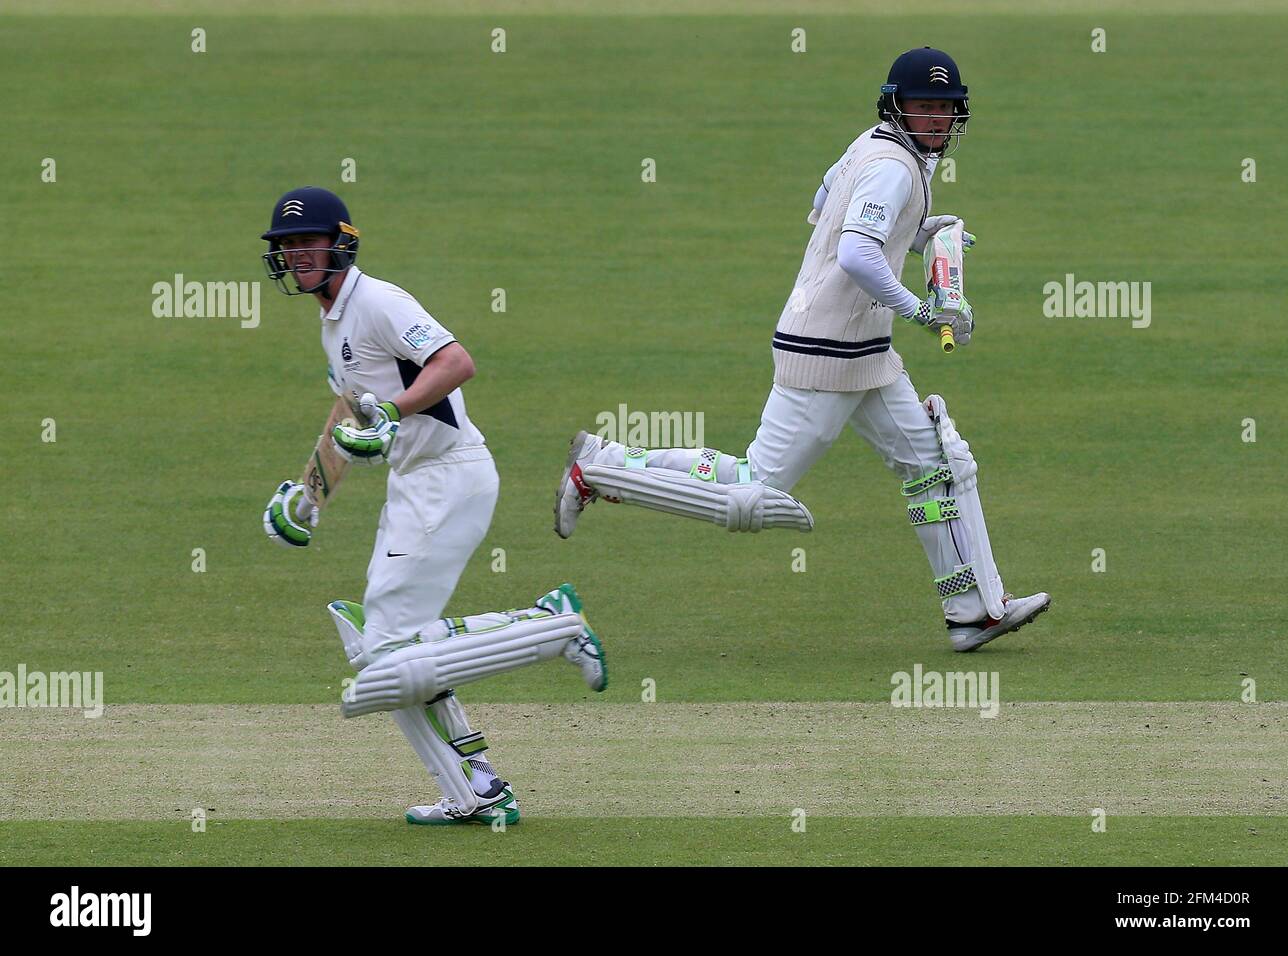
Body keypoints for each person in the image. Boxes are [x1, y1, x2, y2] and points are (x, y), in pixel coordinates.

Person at [554, 49, 1050, 652]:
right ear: (897, 106)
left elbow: (824, 205)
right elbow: (854, 253)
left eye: (945, 109)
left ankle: (973, 611)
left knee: (935, 465)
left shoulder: (875, 147)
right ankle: (603, 468)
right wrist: (921, 309)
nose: (936, 120)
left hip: (862, 349)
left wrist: (922, 235)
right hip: (827, 350)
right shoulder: (893, 167)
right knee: (753, 490)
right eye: (924, 108)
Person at [260, 186, 607, 825]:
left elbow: (455, 361)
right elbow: (349, 413)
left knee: (387, 653)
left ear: (340, 242)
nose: (298, 255)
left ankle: (554, 626)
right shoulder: (332, 320)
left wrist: (392, 410)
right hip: (415, 485)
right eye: (287, 246)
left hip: (449, 477)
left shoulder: (379, 302)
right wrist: (307, 497)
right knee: (389, 652)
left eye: (308, 241)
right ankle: (477, 785)